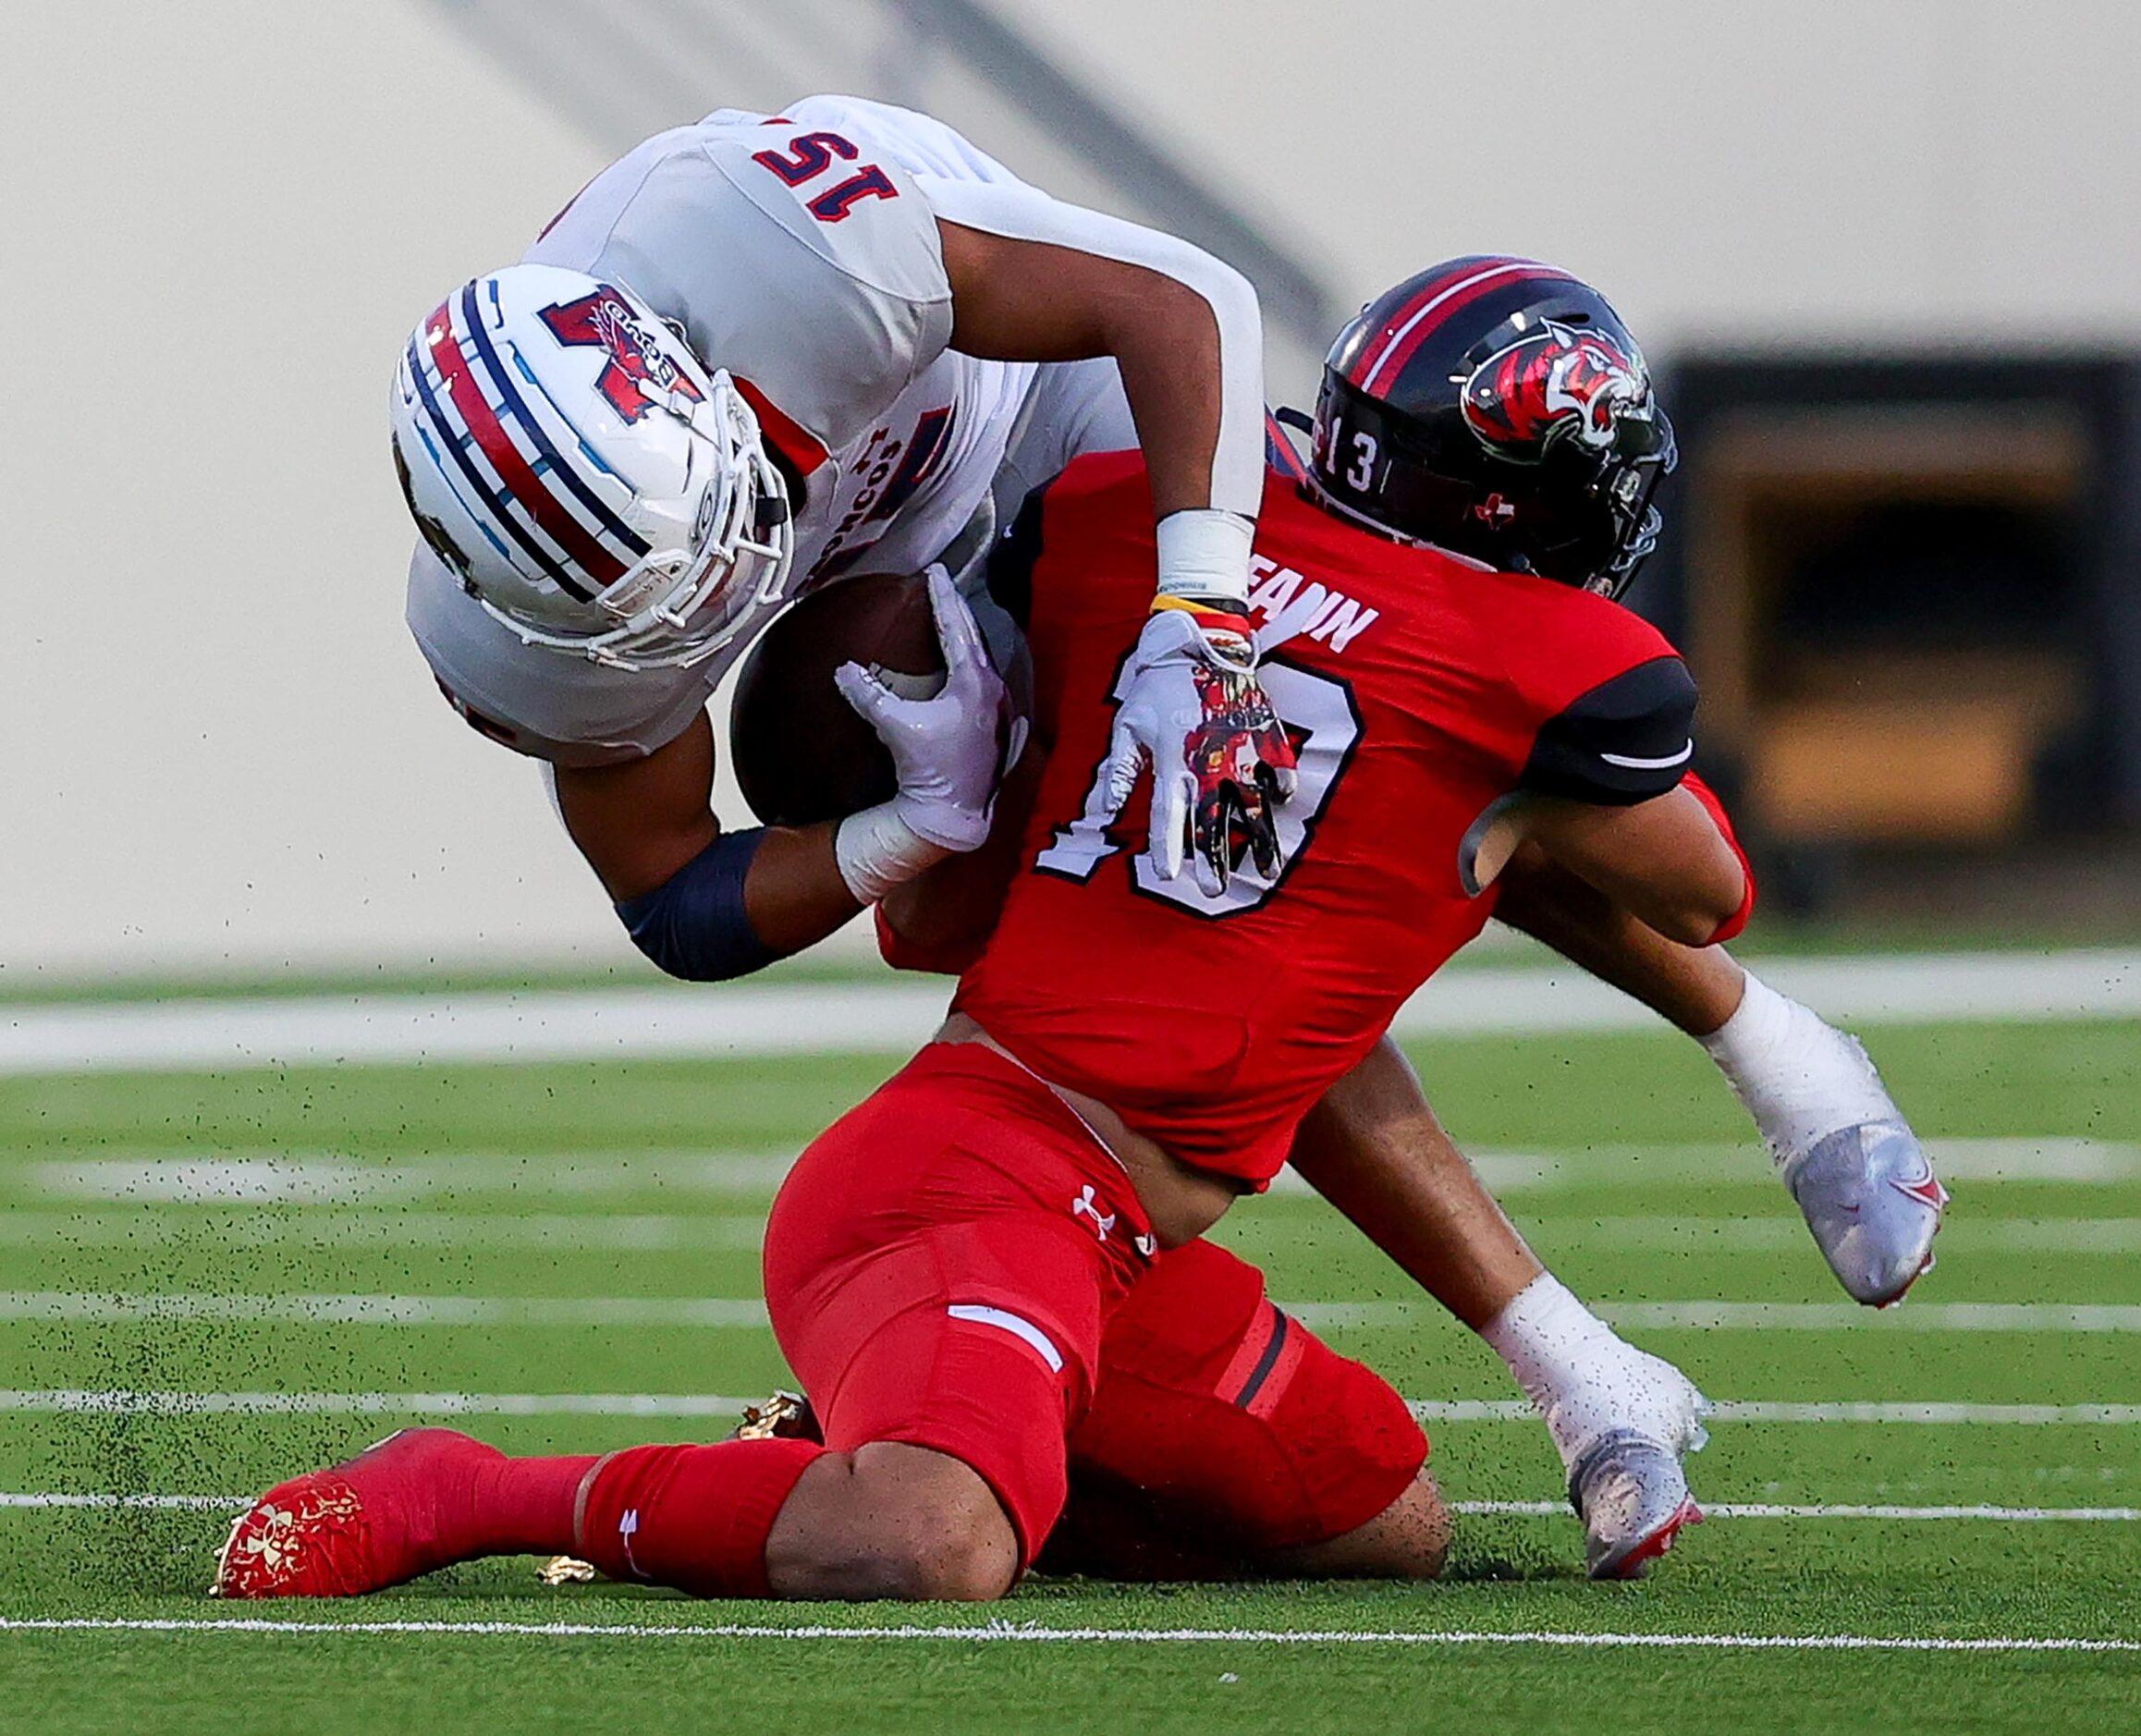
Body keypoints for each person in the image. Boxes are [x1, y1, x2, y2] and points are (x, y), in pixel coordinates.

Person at [219, 261, 1799, 1604]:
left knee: (1384, 1516)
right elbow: (1703, 882)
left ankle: (869, 1444)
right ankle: (467, 1490)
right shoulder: (1533, 656)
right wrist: (1522, 752)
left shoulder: (1149, 527)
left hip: (1117, 1251)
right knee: (933, 1540)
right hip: (975, 1180)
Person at [392, 100, 1943, 1313]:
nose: (731, 583)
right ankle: (1555, 1350)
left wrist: (1196, 620)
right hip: (882, 563)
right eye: (664, 602)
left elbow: (1182, 298)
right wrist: (897, 830)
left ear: (689, 390)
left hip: (1009, 390)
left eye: (726, 529)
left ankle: (1772, 1043)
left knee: (1371, 708)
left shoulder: (798, 246)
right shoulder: (535, 659)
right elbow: (673, 896)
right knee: (1182, 879)